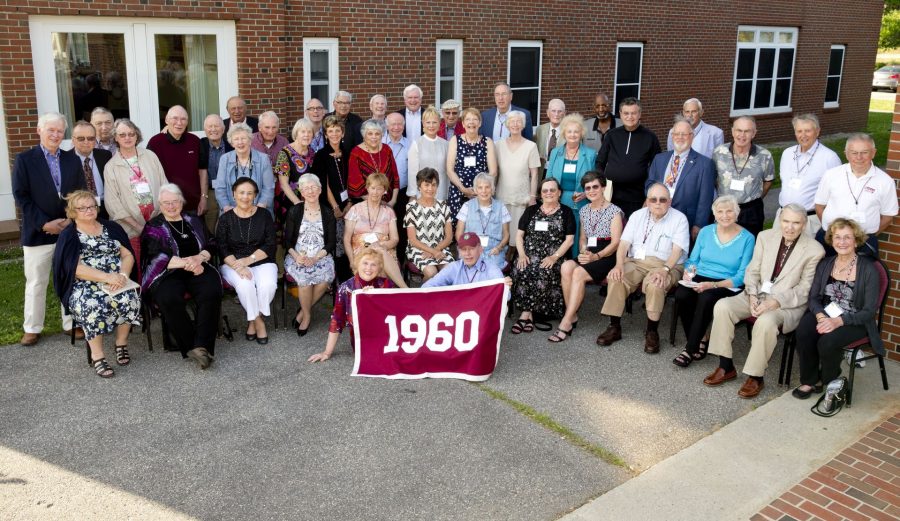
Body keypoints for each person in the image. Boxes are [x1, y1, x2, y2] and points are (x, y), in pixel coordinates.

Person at [704, 204, 825, 398]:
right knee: (723, 306)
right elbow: (752, 271)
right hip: (757, 295)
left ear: (804, 224)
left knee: (766, 322)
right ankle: (725, 366)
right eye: (786, 221)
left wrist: (775, 302)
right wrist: (751, 294)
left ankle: (755, 376)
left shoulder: (814, 250)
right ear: (780, 220)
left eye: (796, 223)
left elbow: (805, 289)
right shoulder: (765, 237)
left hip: (786, 304)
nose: (790, 227)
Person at [12, 112, 86, 345]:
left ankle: (71, 323)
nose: (55, 134)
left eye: (59, 131)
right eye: (50, 130)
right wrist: (44, 223)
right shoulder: (25, 160)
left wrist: (68, 220)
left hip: (67, 229)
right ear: (39, 131)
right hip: (37, 232)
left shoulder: (72, 159)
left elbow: (79, 193)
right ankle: (32, 327)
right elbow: (21, 196)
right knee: (36, 281)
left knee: (70, 277)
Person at [53, 190, 141, 378]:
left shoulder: (111, 227)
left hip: (117, 279)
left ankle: (121, 344)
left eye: (92, 206)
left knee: (130, 298)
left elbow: (127, 255)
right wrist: (106, 278)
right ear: (72, 211)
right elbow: (73, 268)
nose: (89, 210)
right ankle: (98, 355)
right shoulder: (69, 234)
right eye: (82, 208)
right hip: (85, 283)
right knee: (91, 304)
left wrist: (123, 275)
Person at [793, 219, 883, 399]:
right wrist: (819, 315)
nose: (841, 242)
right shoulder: (826, 263)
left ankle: (830, 378)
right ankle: (810, 380)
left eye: (847, 237)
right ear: (831, 240)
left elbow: (869, 311)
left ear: (856, 241)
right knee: (804, 331)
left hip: (855, 319)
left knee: (828, 341)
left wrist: (838, 321)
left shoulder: (869, 270)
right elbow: (814, 298)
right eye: (837, 237)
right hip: (826, 313)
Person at [596, 183, 689, 353]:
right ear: (647, 201)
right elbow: (624, 244)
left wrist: (665, 270)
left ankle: (652, 331)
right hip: (637, 261)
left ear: (670, 201)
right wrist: (618, 265)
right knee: (617, 277)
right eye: (653, 199)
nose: (658, 203)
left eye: (663, 199)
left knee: (656, 284)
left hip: (667, 264)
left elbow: (677, 250)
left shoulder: (679, 218)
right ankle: (614, 327)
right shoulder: (637, 215)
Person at [141, 183, 222, 370]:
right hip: (169, 272)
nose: (171, 206)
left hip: (199, 266)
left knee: (211, 290)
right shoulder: (154, 226)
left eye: (174, 201)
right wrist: (188, 263)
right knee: (168, 297)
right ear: (160, 205)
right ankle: (194, 344)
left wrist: (200, 258)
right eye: (166, 203)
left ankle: (202, 347)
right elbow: (156, 256)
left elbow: (211, 243)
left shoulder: (194, 219)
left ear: (182, 202)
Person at [672, 195, 755, 367]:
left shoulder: (747, 238)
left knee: (706, 298)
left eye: (729, 211)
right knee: (681, 295)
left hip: (727, 283)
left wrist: (713, 285)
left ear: (737, 213)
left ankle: (690, 349)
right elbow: (692, 260)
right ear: (714, 214)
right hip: (701, 276)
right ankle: (701, 337)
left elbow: (741, 276)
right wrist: (689, 273)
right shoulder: (705, 232)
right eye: (720, 212)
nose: (725, 215)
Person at [550, 172, 623, 343]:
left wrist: (595, 256)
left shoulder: (614, 211)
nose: (591, 191)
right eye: (587, 188)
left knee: (578, 273)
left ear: (603, 187)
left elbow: (616, 243)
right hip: (589, 250)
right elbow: (583, 237)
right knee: (566, 266)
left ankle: (566, 322)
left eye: (595, 186)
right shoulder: (584, 210)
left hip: (607, 254)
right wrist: (584, 251)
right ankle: (573, 314)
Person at [216, 177, 277, 344]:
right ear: (234, 194)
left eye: (250, 193)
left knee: (269, 285)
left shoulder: (264, 215)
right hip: (232, 264)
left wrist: (248, 261)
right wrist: (238, 266)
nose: (245, 197)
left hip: (262, 260)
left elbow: (271, 244)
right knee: (245, 285)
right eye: (241, 192)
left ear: (255, 196)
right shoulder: (225, 219)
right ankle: (259, 323)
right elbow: (222, 247)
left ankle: (252, 321)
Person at [510, 178, 576, 334]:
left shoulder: (566, 212)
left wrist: (554, 257)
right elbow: (519, 236)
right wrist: (521, 255)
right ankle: (529, 313)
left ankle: (527, 314)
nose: (549, 193)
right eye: (545, 190)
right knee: (523, 268)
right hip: (528, 253)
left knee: (543, 271)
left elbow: (570, 240)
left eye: (552, 190)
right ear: (540, 194)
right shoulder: (531, 210)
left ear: (559, 193)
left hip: (554, 255)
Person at [814, 133, 898, 255]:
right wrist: (830, 230)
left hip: (864, 242)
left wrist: (865, 237)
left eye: (864, 152)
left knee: (861, 274)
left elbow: (888, 216)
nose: (859, 157)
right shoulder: (831, 175)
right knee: (823, 272)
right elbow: (819, 205)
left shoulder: (885, 181)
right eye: (854, 152)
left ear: (873, 153)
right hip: (830, 239)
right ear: (846, 154)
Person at [307, 249, 394, 363]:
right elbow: (337, 320)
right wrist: (327, 352)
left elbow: (396, 313)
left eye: (374, 265)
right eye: (365, 263)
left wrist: (378, 296)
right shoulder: (345, 288)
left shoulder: (387, 284)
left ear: (379, 268)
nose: (369, 268)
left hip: (388, 336)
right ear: (357, 264)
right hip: (362, 341)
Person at [103, 118, 168, 271]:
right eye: (122, 134)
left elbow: (164, 185)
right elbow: (113, 204)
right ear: (116, 138)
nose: (127, 138)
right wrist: (139, 227)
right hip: (131, 228)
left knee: (161, 260)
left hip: (157, 221)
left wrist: (161, 217)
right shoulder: (111, 166)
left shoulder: (150, 156)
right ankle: (141, 294)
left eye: (131, 134)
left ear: (137, 136)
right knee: (139, 265)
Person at [283, 174, 336, 336]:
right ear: (301, 192)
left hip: (320, 255)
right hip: (298, 255)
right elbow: (287, 242)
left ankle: (302, 313)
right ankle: (307, 316)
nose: (310, 191)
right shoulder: (295, 211)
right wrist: (296, 256)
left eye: (314, 187)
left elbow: (331, 243)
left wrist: (316, 258)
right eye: (306, 188)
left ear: (320, 190)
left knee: (325, 279)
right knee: (304, 281)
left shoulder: (327, 213)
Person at [646, 118, 716, 240]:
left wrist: (699, 224)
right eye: (677, 134)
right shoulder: (659, 158)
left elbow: (705, 198)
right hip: (658, 215)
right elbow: (649, 184)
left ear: (692, 136)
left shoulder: (705, 164)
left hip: (687, 220)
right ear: (672, 136)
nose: (680, 137)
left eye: (684, 134)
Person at [776, 114, 841, 237]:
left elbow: (836, 194)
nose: (803, 135)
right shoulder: (787, 153)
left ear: (817, 131)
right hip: (782, 217)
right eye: (799, 131)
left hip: (809, 221)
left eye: (807, 131)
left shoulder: (829, 158)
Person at [595, 97, 661, 218]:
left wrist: (649, 196)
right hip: (611, 195)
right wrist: (601, 186)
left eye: (633, 113)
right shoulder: (612, 135)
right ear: (620, 114)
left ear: (639, 114)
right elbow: (600, 162)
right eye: (626, 113)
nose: (629, 117)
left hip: (638, 197)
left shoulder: (650, 137)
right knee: (611, 233)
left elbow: (657, 169)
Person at [711, 116, 774, 237]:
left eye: (747, 131)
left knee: (751, 245)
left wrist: (754, 197)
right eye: (739, 130)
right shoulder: (719, 152)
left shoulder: (764, 155)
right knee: (724, 242)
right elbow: (713, 179)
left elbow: (768, 181)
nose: (742, 135)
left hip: (751, 211)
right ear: (733, 131)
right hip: (724, 209)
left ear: (754, 133)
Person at [545, 113, 598, 256]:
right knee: (557, 235)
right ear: (564, 133)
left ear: (582, 133)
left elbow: (596, 182)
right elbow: (548, 179)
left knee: (576, 237)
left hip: (580, 203)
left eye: (576, 131)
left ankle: (574, 264)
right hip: (557, 202)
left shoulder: (590, 154)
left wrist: (586, 193)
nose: (573, 135)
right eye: (569, 131)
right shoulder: (556, 152)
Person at [344, 173, 407, 287]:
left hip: (384, 250)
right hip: (361, 251)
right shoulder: (355, 209)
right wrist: (351, 261)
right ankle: (405, 289)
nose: (375, 192)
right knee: (377, 259)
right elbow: (346, 239)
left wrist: (381, 245)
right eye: (373, 188)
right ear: (367, 188)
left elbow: (395, 239)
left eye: (379, 189)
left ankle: (383, 298)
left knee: (380, 256)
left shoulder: (389, 212)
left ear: (385, 191)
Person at [147, 105, 208, 216]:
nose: (179, 123)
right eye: (175, 118)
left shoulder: (195, 141)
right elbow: (148, 175)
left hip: (193, 206)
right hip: (167, 208)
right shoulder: (155, 143)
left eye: (183, 119)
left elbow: (202, 170)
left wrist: (203, 197)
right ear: (166, 120)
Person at [311, 115, 351, 281]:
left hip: (349, 204)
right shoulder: (321, 155)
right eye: (330, 131)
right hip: (329, 206)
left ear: (342, 133)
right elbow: (323, 184)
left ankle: (346, 277)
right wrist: (335, 207)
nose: (334, 134)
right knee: (333, 242)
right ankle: (331, 280)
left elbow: (353, 180)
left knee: (347, 240)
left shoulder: (349, 152)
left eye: (337, 130)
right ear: (326, 135)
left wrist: (349, 203)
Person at [447, 107, 498, 223]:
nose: (471, 122)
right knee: (459, 228)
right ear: (463, 123)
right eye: (468, 119)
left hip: (482, 194)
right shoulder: (455, 140)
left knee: (480, 226)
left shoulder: (487, 142)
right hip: (458, 192)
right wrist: (463, 189)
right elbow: (449, 170)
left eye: (475, 119)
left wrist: (480, 190)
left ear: (480, 123)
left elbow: (493, 171)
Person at [214, 122, 275, 215]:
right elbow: (220, 188)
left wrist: (258, 211)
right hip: (231, 212)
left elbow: (268, 188)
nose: (240, 142)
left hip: (258, 211)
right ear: (231, 142)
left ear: (250, 140)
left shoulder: (263, 159)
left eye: (243, 138)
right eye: (236, 139)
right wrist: (227, 208)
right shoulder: (224, 159)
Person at [404, 168, 454, 280]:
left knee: (450, 271)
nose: (430, 189)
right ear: (419, 187)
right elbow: (412, 239)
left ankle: (444, 296)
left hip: (440, 247)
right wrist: (432, 251)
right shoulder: (411, 208)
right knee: (431, 272)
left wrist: (435, 250)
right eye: (426, 185)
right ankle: (426, 295)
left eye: (434, 185)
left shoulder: (444, 206)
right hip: (418, 249)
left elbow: (449, 237)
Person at [495, 109, 541, 229]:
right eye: (512, 121)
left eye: (519, 121)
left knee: (518, 235)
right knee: (502, 234)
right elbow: (494, 172)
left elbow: (535, 175)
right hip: (502, 198)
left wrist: (532, 197)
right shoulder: (498, 145)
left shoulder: (531, 146)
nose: (515, 124)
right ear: (507, 124)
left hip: (521, 200)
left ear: (523, 125)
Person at [456, 173, 511, 270]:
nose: (484, 191)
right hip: (471, 250)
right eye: (480, 188)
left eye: (487, 187)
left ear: (492, 189)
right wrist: (467, 249)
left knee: (492, 274)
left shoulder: (501, 207)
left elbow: (506, 235)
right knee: (469, 273)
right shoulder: (467, 206)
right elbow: (459, 234)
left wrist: (499, 248)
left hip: (493, 251)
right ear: (475, 190)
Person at [274, 118, 317, 231]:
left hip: (310, 202)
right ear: (296, 133)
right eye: (303, 132)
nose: (306, 135)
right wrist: (297, 203)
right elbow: (283, 184)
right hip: (290, 203)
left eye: (309, 132)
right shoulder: (285, 153)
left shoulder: (312, 152)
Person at [423, 232, 508, 288]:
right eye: (463, 249)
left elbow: (506, 295)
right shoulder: (454, 267)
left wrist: (505, 286)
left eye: (471, 249)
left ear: (480, 249)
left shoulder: (491, 268)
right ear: (459, 251)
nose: (467, 253)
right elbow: (428, 286)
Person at [347, 119, 399, 205]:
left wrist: (393, 201)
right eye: (370, 133)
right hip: (366, 204)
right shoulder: (356, 153)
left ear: (382, 135)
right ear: (364, 136)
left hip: (389, 203)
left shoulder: (387, 149)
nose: (374, 137)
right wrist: (379, 203)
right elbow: (355, 184)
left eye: (377, 134)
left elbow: (395, 177)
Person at [68, 120, 112, 219]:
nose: (86, 142)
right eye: (80, 138)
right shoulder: (65, 160)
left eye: (91, 138)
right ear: (73, 139)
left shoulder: (105, 156)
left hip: (105, 208)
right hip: (80, 213)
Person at [384, 112, 411, 262]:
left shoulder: (411, 144)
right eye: (393, 124)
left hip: (402, 194)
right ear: (387, 126)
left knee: (401, 229)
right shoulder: (379, 143)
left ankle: (400, 262)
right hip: (382, 194)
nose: (396, 127)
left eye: (399, 124)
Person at [408, 106, 450, 201]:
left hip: (441, 193)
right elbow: (412, 172)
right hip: (422, 194)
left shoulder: (446, 144)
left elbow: (448, 171)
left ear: (439, 124)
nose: (431, 126)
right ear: (423, 124)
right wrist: (413, 194)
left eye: (434, 122)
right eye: (428, 122)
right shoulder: (416, 144)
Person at [199, 114, 233, 232]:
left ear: (223, 129)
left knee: (229, 223)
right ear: (205, 130)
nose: (213, 129)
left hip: (229, 191)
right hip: (209, 192)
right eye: (210, 126)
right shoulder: (200, 145)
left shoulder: (232, 146)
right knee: (210, 225)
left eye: (217, 126)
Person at [534, 98, 566, 172]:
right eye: (553, 111)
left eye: (560, 111)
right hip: (542, 171)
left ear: (564, 114)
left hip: (560, 172)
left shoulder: (570, 132)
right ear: (548, 113)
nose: (556, 114)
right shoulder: (540, 129)